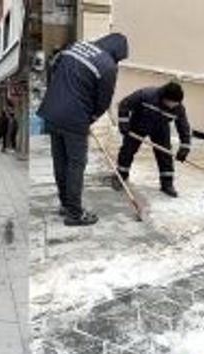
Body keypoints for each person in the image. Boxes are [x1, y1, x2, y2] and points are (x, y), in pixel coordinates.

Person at [37, 33, 128, 226]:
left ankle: (66, 204)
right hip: (74, 119)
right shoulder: (107, 66)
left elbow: (52, 69)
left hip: (52, 112)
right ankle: (75, 214)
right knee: (75, 165)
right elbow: (103, 101)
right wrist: (89, 118)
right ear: (118, 53)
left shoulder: (76, 47)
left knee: (60, 162)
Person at [112, 81, 191, 197]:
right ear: (164, 97)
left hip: (160, 128)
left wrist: (184, 147)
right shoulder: (146, 95)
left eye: (177, 103)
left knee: (165, 154)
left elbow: (183, 127)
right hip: (138, 124)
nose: (174, 105)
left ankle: (167, 183)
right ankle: (121, 175)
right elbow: (124, 104)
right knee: (127, 150)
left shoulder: (178, 108)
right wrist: (124, 123)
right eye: (172, 102)